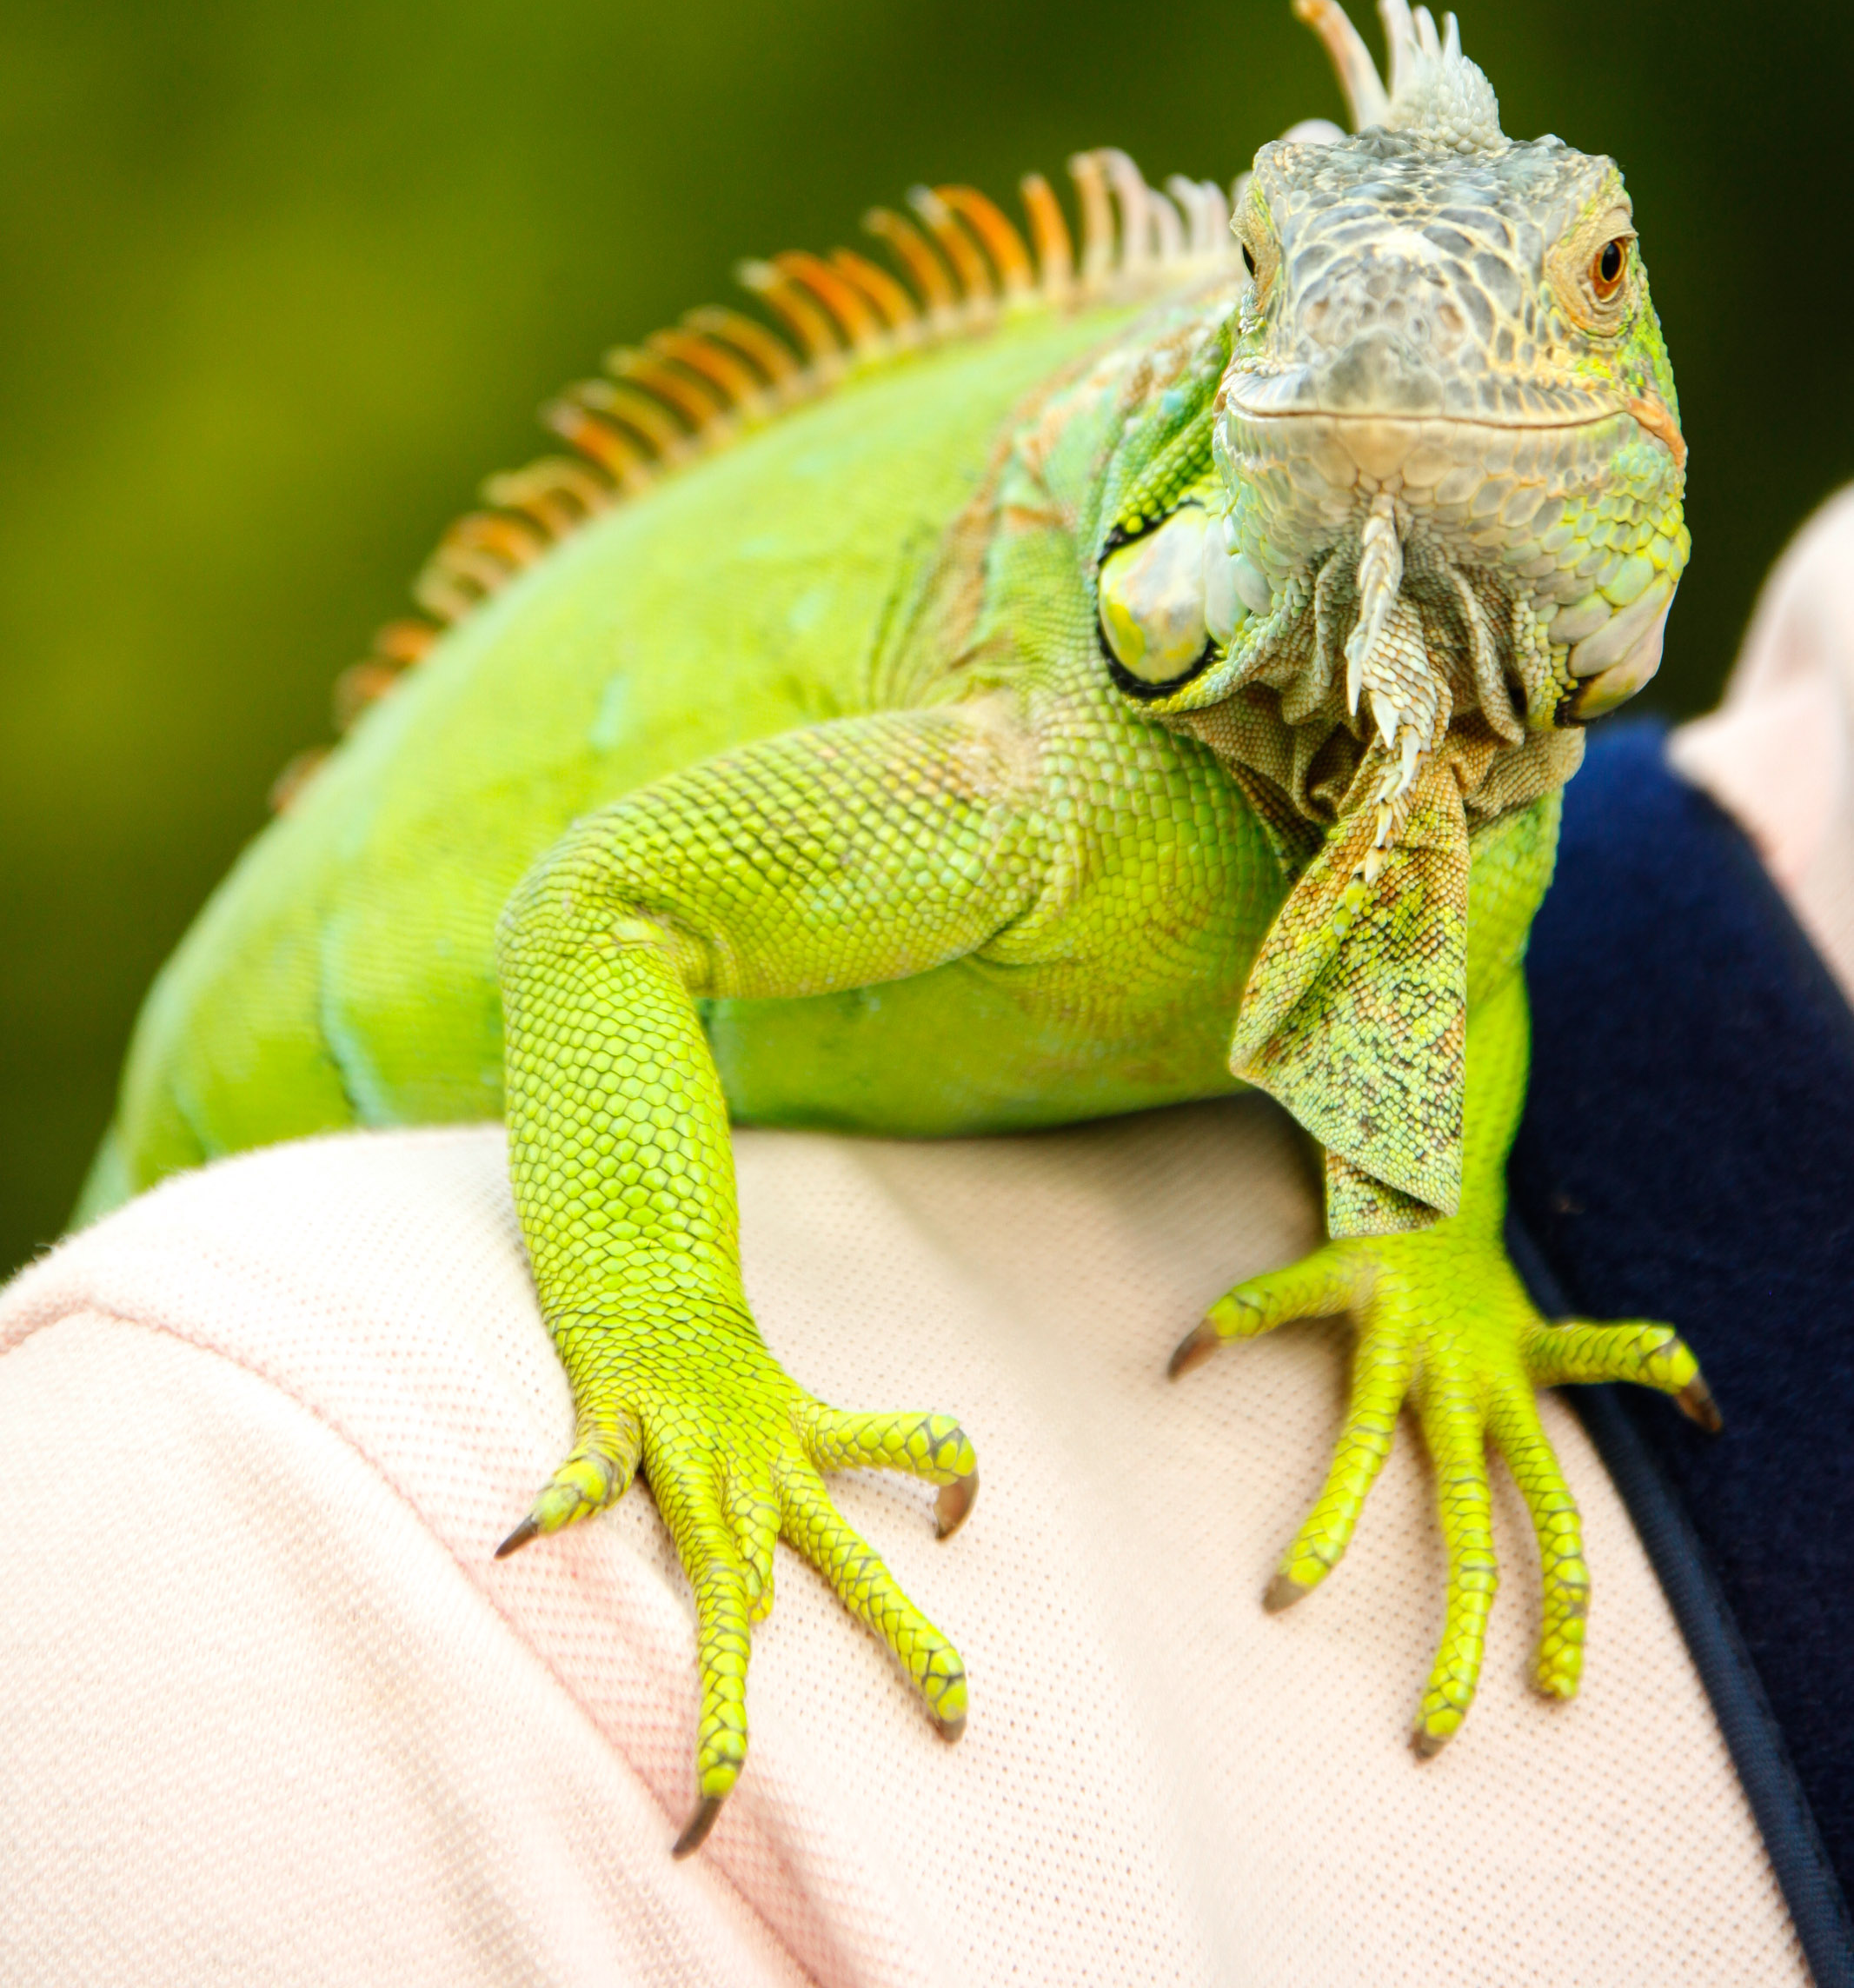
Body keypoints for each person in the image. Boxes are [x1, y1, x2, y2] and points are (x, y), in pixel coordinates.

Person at [8, 501, 1854, 1986]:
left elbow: (1447, 941)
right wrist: (669, 1340)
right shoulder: (257, 1454)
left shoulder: (1496, 833)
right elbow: (605, 908)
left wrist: (1426, 1245)